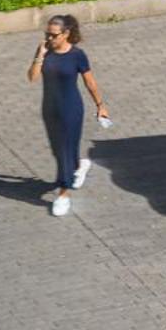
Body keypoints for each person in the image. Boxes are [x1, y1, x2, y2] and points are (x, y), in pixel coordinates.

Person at [27, 14, 107, 217]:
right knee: (57, 150)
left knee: (64, 150)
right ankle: (79, 166)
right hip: (49, 108)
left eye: (53, 35)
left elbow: (90, 82)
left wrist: (100, 105)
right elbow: (32, 77)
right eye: (47, 34)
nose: (49, 38)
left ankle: (63, 194)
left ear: (66, 34)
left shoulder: (77, 55)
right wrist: (40, 54)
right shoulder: (45, 51)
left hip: (71, 109)